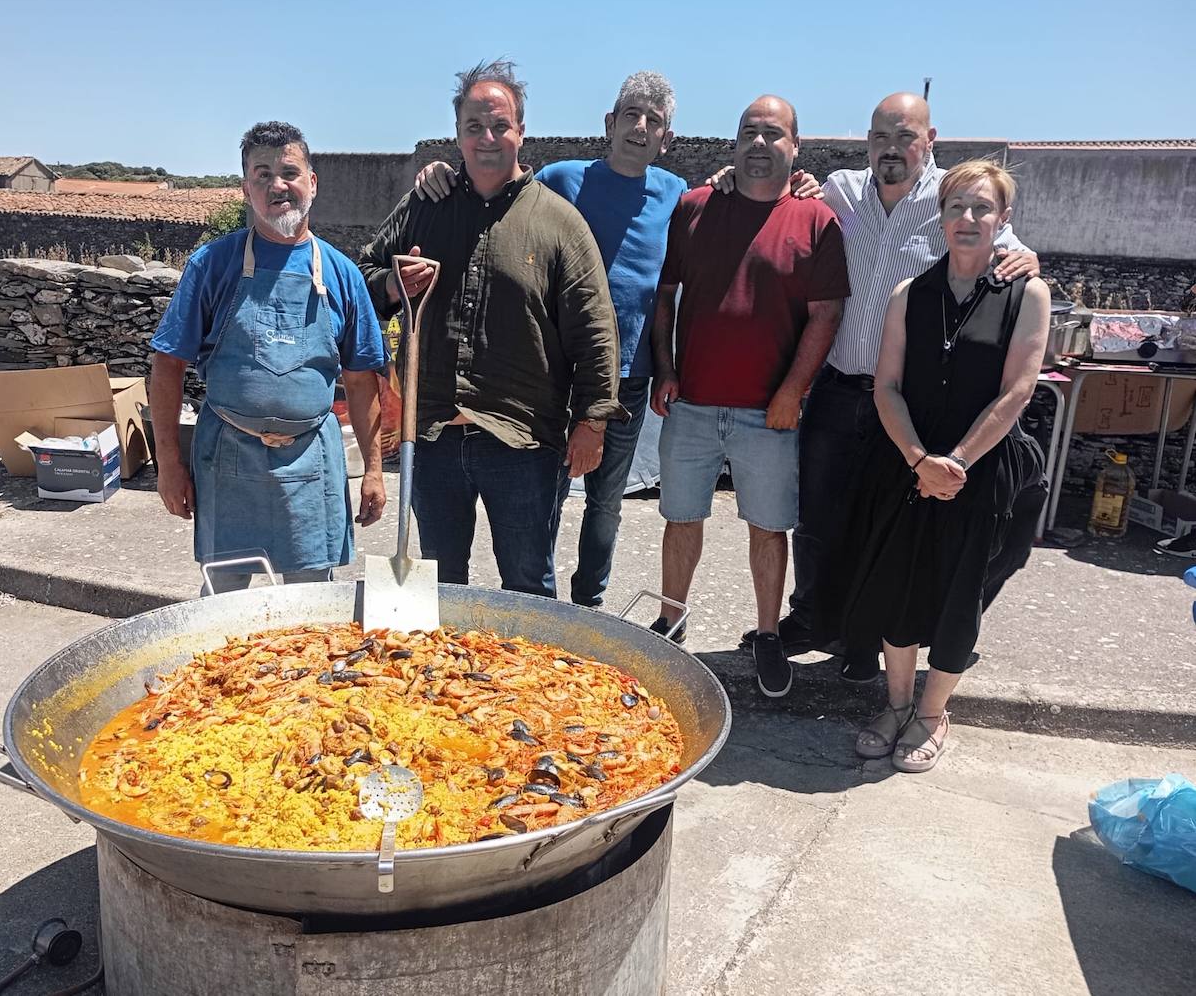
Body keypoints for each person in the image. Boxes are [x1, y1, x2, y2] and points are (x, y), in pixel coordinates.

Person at [411, 74, 823, 609]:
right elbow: (498, 192)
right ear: (609, 123)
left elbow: (738, 194)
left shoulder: (680, 195)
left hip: (629, 379)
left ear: (667, 139)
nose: (640, 127)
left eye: (653, 121)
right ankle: (544, 599)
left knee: (606, 503)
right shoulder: (562, 179)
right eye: (631, 115)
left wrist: (797, 183)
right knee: (544, 496)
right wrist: (439, 172)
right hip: (555, 377)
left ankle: (589, 605)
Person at [711, 92, 1040, 682]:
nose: (892, 149)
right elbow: (777, 193)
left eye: (905, 137)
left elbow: (1007, 250)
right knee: (817, 515)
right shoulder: (840, 190)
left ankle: (864, 633)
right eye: (881, 137)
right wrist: (725, 177)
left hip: (906, 400)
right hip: (839, 386)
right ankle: (813, 617)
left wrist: (1028, 260)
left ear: (930, 139)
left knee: (881, 521)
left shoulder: (949, 201)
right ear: (868, 141)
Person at [357, 59, 623, 598]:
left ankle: (531, 686)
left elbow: (594, 328)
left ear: (521, 131)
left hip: (521, 439)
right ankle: (440, 681)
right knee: (436, 586)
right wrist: (391, 285)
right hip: (429, 434)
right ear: (457, 134)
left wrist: (592, 422)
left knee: (527, 584)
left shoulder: (558, 222)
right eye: (474, 126)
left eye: (499, 125)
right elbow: (357, 283)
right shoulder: (423, 207)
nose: (487, 138)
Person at [841, 159, 1049, 771]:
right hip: (909, 464)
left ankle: (933, 714)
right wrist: (917, 460)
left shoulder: (1025, 294)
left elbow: (1018, 391)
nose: (968, 218)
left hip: (978, 472)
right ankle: (897, 704)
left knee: (960, 595)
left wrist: (955, 462)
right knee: (898, 583)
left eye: (982, 208)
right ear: (941, 217)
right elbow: (887, 386)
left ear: (1002, 219)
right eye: (957, 207)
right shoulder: (912, 294)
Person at [651, 96, 850, 698]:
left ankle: (766, 633)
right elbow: (665, 297)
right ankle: (671, 617)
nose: (759, 144)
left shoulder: (816, 221)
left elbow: (826, 315)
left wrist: (793, 392)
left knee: (768, 527)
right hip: (692, 403)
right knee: (680, 518)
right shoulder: (693, 208)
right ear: (733, 143)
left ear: (795, 146)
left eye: (773, 134)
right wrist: (665, 369)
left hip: (770, 412)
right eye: (748, 133)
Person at [149, 121, 388, 593]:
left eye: (289, 172)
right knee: (221, 606)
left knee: (311, 610)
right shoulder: (212, 265)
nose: (277, 186)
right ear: (246, 189)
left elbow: (363, 382)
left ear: (312, 183)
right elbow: (166, 367)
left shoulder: (343, 275)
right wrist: (169, 465)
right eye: (262, 175)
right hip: (228, 461)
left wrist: (375, 472)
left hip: (312, 465)